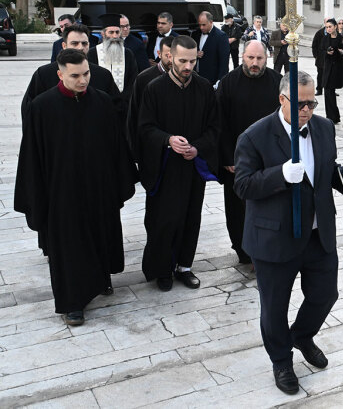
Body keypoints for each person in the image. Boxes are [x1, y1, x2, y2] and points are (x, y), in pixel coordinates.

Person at [233, 71, 343, 394]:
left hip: (317, 233)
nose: (307, 110)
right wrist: (280, 175)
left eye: (312, 102)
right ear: (282, 99)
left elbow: (326, 173)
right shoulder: (254, 136)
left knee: (326, 294)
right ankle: (281, 360)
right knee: (274, 307)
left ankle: (302, 335)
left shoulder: (324, 129)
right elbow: (242, 185)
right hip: (274, 237)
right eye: (300, 104)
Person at [14, 49, 135, 325]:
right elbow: (32, 156)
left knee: (99, 234)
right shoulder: (42, 107)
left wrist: (119, 181)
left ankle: (100, 280)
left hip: (98, 188)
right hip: (61, 193)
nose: (83, 80)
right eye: (76, 76)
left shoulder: (102, 102)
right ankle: (73, 302)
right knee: (68, 247)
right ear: (60, 74)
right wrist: (37, 198)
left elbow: (116, 146)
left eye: (86, 74)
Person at [137, 36, 220, 291]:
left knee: (190, 217)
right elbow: (144, 128)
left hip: (192, 166)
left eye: (192, 61)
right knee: (164, 219)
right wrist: (168, 140)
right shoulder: (154, 88)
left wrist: (197, 148)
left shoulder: (205, 88)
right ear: (170, 56)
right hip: (165, 167)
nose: (187, 66)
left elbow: (215, 128)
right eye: (183, 60)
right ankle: (162, 269)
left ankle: (184, 266)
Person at [216, 40, 282, 264]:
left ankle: (267, 248)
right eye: (250, 58)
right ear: (243, 56)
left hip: (269, 160)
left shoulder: (277, 82)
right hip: (237, 160)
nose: (254, 63)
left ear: (267, 58)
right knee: (238, 209)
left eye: (259, 58)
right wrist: (226, 157)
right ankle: (243, 250)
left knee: (269, 206)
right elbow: (219, 122)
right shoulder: (228, 82)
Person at [22, 24, 122, 122]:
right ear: (64, 45)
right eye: (74, 43)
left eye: (84, 43)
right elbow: (30, 110)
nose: (80, 48)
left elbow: (117, 110)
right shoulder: (44, 74)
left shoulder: (103, 75)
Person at [127, 36, 174, 157]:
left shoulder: (188, 77)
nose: (171, 60)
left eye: (174, 56)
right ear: (159, 53)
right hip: (151, 145)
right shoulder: (144, 78)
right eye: (167, 56)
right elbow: (134, 115)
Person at [88, 14, 138, 104]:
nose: (115, 36)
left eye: (117, 32)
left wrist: (123, 100)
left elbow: (133, 79)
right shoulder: (92, 53)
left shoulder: (128, 53)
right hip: (99, 102)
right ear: (103, 34)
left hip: (123, 104)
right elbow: (91, 79)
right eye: (111, 32)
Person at [194, 11, 231, 85]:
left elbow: (224, 61)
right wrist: (195, 54)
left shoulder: (221, 36)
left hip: (212, 79)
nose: (201, 27)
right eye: (200, 25)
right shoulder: (196, 34)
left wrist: (220, 81)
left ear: (211, 22)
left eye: (204, 25)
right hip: (196, 77)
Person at [320, 18, 343, 124]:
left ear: (335, 27)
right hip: (327, 68)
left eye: (330, 27)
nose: (328, 29)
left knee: (331, 92)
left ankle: (334, 116)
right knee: (327, 92)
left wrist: (340, 51)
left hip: (337, 68)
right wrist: (326, 52)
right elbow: (320, 50)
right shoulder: (325, 38)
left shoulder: (341, 38)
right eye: (326, 27)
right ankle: (331, 116)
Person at [311, 21, 327, 95]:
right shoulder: (319, 33)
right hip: (320, 58)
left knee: (329, 75)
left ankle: (330, 89)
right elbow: (314, 45)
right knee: (320, 74)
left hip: (329, 58)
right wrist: (316, 56)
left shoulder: (334, 33)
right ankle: (319, 89)